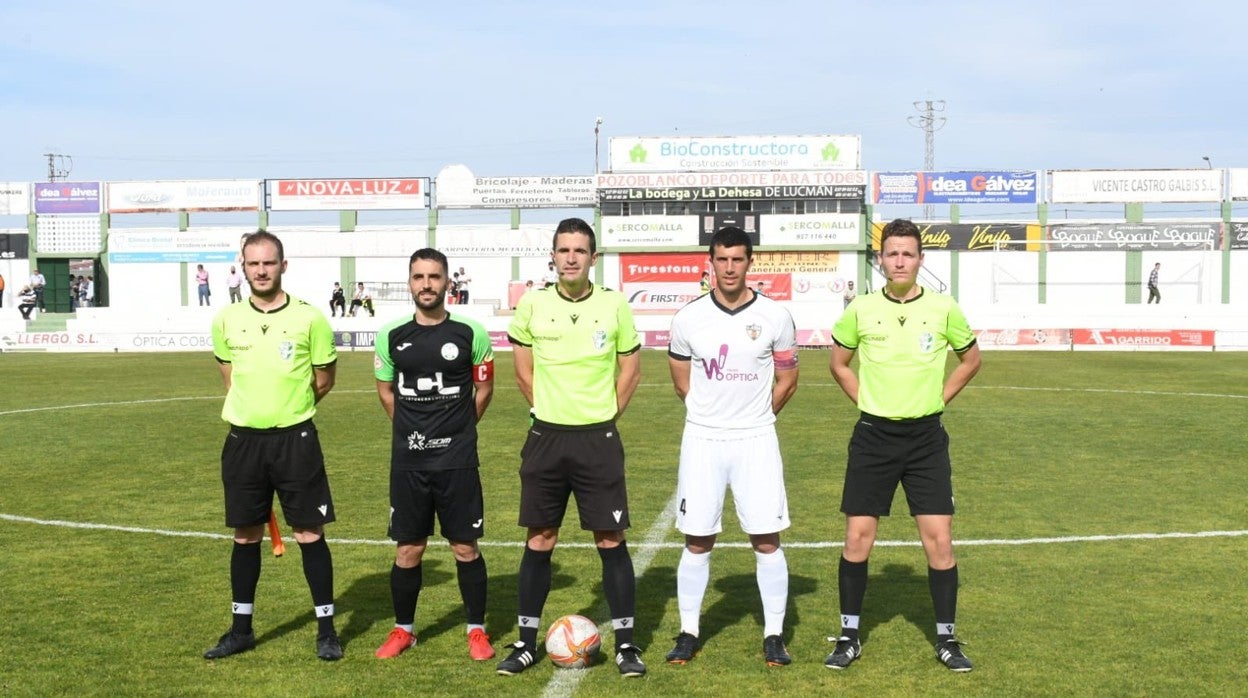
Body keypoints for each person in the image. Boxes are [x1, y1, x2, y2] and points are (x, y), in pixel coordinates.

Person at [825, 218, 982, 673]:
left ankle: (947, 639)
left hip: (925, 440)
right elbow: (838, 363)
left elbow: (971, 359)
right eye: (891, 253)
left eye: (907, 253)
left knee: (940, 542)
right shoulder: (860, 309)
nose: (899, 261)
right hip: (873, 438)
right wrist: (867, 400)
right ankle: (849, 634)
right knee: (858, 539)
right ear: (880, 260)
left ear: (920, 260)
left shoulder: (944, 308)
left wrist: (940, 398)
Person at [496, 217, 645, 678]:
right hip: (546, 437)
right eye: (564, 250)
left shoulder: (615, 305)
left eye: (580, 251)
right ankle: (525, 643)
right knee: (540, 538)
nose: (571, 258)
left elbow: (630, 369)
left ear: (593, 258)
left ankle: (625, 645)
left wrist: (602, 417)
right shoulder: (534, 306)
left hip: (598, 438)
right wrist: (551, 413)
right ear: (554, 255)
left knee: (610, 537)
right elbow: (524, 372)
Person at [204, 230, 344, 662]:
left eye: (269, 263)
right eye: (253, 263)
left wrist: (290, 408)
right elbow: (230, 375)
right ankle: (241, 629)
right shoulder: (227, 319)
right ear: (242, 267)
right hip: (243, 441)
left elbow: (324, 378)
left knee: (308, 533)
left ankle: (326, 631)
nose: (261, 271)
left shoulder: (310, 318)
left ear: (284, 265)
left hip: (295, 440)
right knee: (246, 536)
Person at [664, 226, 800, 668]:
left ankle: (774, 635)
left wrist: (758, 416)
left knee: (766, 538)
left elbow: (788, 378)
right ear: (711, 262)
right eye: (721, 259)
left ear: (749, 262)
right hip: (703, 438)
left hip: (756, 439)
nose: (729, 267)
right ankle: (688, 632)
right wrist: (712, 414)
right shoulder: (688, 318)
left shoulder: (776, 317)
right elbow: (682, 381)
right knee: (697, 539)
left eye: (737, 259)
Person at [372, 248, 496, 662]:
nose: (427, 284)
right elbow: (387, 393)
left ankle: (476, 631)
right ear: (410, 282)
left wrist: (458, 430)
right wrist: (413, 432)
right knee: (408, 549)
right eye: (419, 277)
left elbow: (484, 391)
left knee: (465, 547)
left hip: (457, 461)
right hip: (409, 462)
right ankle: (403, 631)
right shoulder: (390, 335)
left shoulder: (471, 334)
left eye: (434, 277)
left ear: (447, 283)